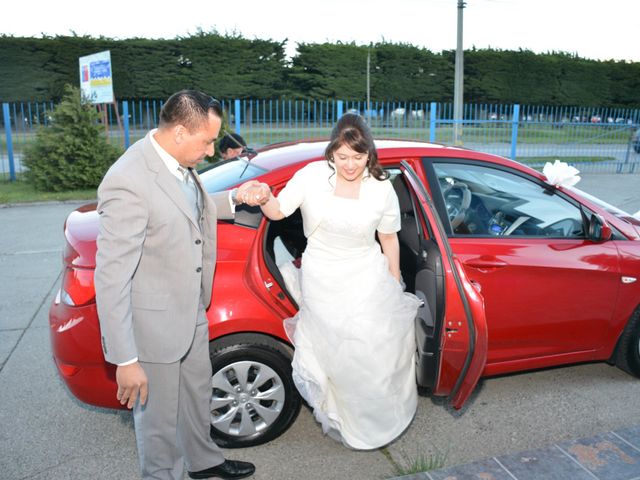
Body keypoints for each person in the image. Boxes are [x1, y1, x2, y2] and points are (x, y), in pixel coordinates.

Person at [94, 90, 267, 480]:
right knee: (158, 423)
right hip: (154, 325)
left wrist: (236, 199)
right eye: (207, 141)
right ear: (179, 133)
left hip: (191, 310)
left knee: (196, 395)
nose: (211, 151)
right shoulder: (128, 181)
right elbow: (111, 277)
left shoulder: (175, 162)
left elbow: (188, 207)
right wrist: (125, 359)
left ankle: (204, 462)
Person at [254, 113, 421, 449]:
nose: (349, 165)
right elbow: (278, 212)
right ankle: (343, 413)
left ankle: (374, 418)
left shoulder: (381, 189)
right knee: (335, 351)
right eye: (342, 157)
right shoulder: (311, 177)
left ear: (369, 155)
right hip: (322, 279)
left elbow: (388, 240)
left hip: (367, 275)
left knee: (370, 351)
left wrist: (392, 284)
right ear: (331, 152)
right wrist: (263, 196)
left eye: (358, 157)